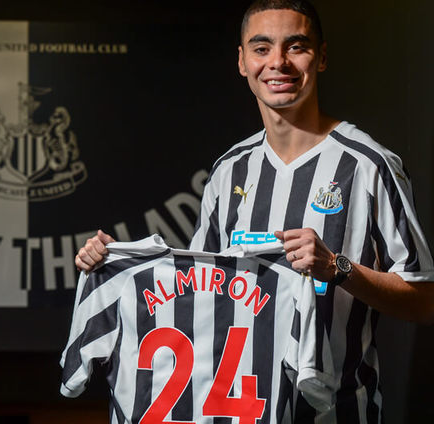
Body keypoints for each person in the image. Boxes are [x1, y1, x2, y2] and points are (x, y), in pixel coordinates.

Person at [74, 0, 434, 422]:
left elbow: (424, 302)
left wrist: (338, 268)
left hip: (339, 413)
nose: (278, 62)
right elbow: (200, 294)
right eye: (262, 48)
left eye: (295, 46)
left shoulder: (368, 165)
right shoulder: (229, 170)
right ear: (242, 61)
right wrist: (115, 264)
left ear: (321, 57)